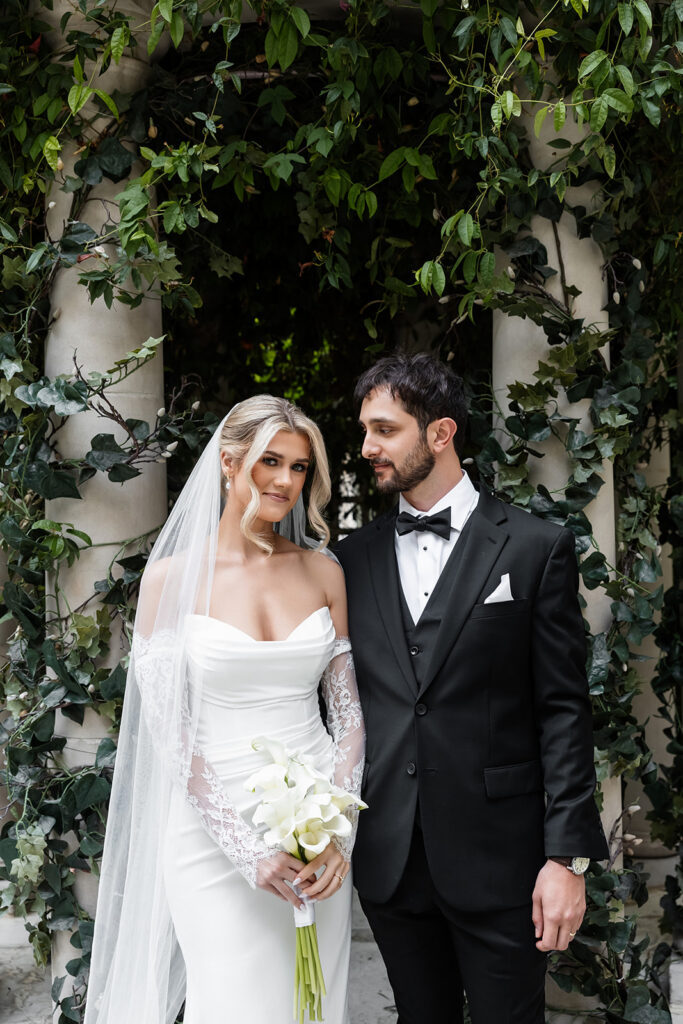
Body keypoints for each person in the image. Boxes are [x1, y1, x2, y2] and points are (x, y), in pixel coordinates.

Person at [335, 352, 608, 1024]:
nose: (367, 447)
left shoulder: (532, 547)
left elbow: (562, 711)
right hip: (392, 859)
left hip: (504, 862)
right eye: (364, 430)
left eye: (383, 429)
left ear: (439, 433)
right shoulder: (347, 559)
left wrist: (565, 858)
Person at [84, 396, 365, 1024]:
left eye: (299, 467)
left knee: (314, 1008)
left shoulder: (324, 573)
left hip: (318, 827)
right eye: (271, 461)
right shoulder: (171, 581)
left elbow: (347, 720)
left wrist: (337, 835)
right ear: (229, 463)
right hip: (213, 832)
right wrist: (247, 850)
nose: (287, 481)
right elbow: (168, 731)